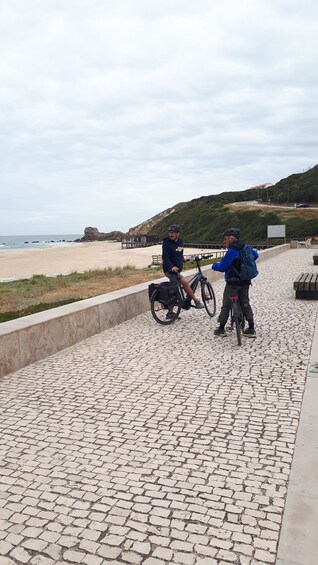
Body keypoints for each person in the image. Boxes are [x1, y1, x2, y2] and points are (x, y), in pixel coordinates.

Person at [212, 228, 258, 338]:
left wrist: (214, 265)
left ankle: (221, 328)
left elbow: (222, 267)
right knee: (245, 302)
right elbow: (256, 255)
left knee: (226, 304)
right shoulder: (245, 247)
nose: (224, 241)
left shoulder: (232, 251)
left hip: (233, 282)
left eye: (225, 239)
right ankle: (251, 328)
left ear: (232, 239)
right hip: (245, 281)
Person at [162, 224, 204, 318]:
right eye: (170, 232)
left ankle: (172, 311)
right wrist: (172, 267)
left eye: (173, 232)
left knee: (176, 288)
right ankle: (195, 301)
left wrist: (183, 259)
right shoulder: (167, 243)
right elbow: (165, 258)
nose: (171, 234)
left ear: (178, 234)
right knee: (183, 282)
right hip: (169, 270)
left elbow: (179, 252)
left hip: (177, 270)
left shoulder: (180, 242)